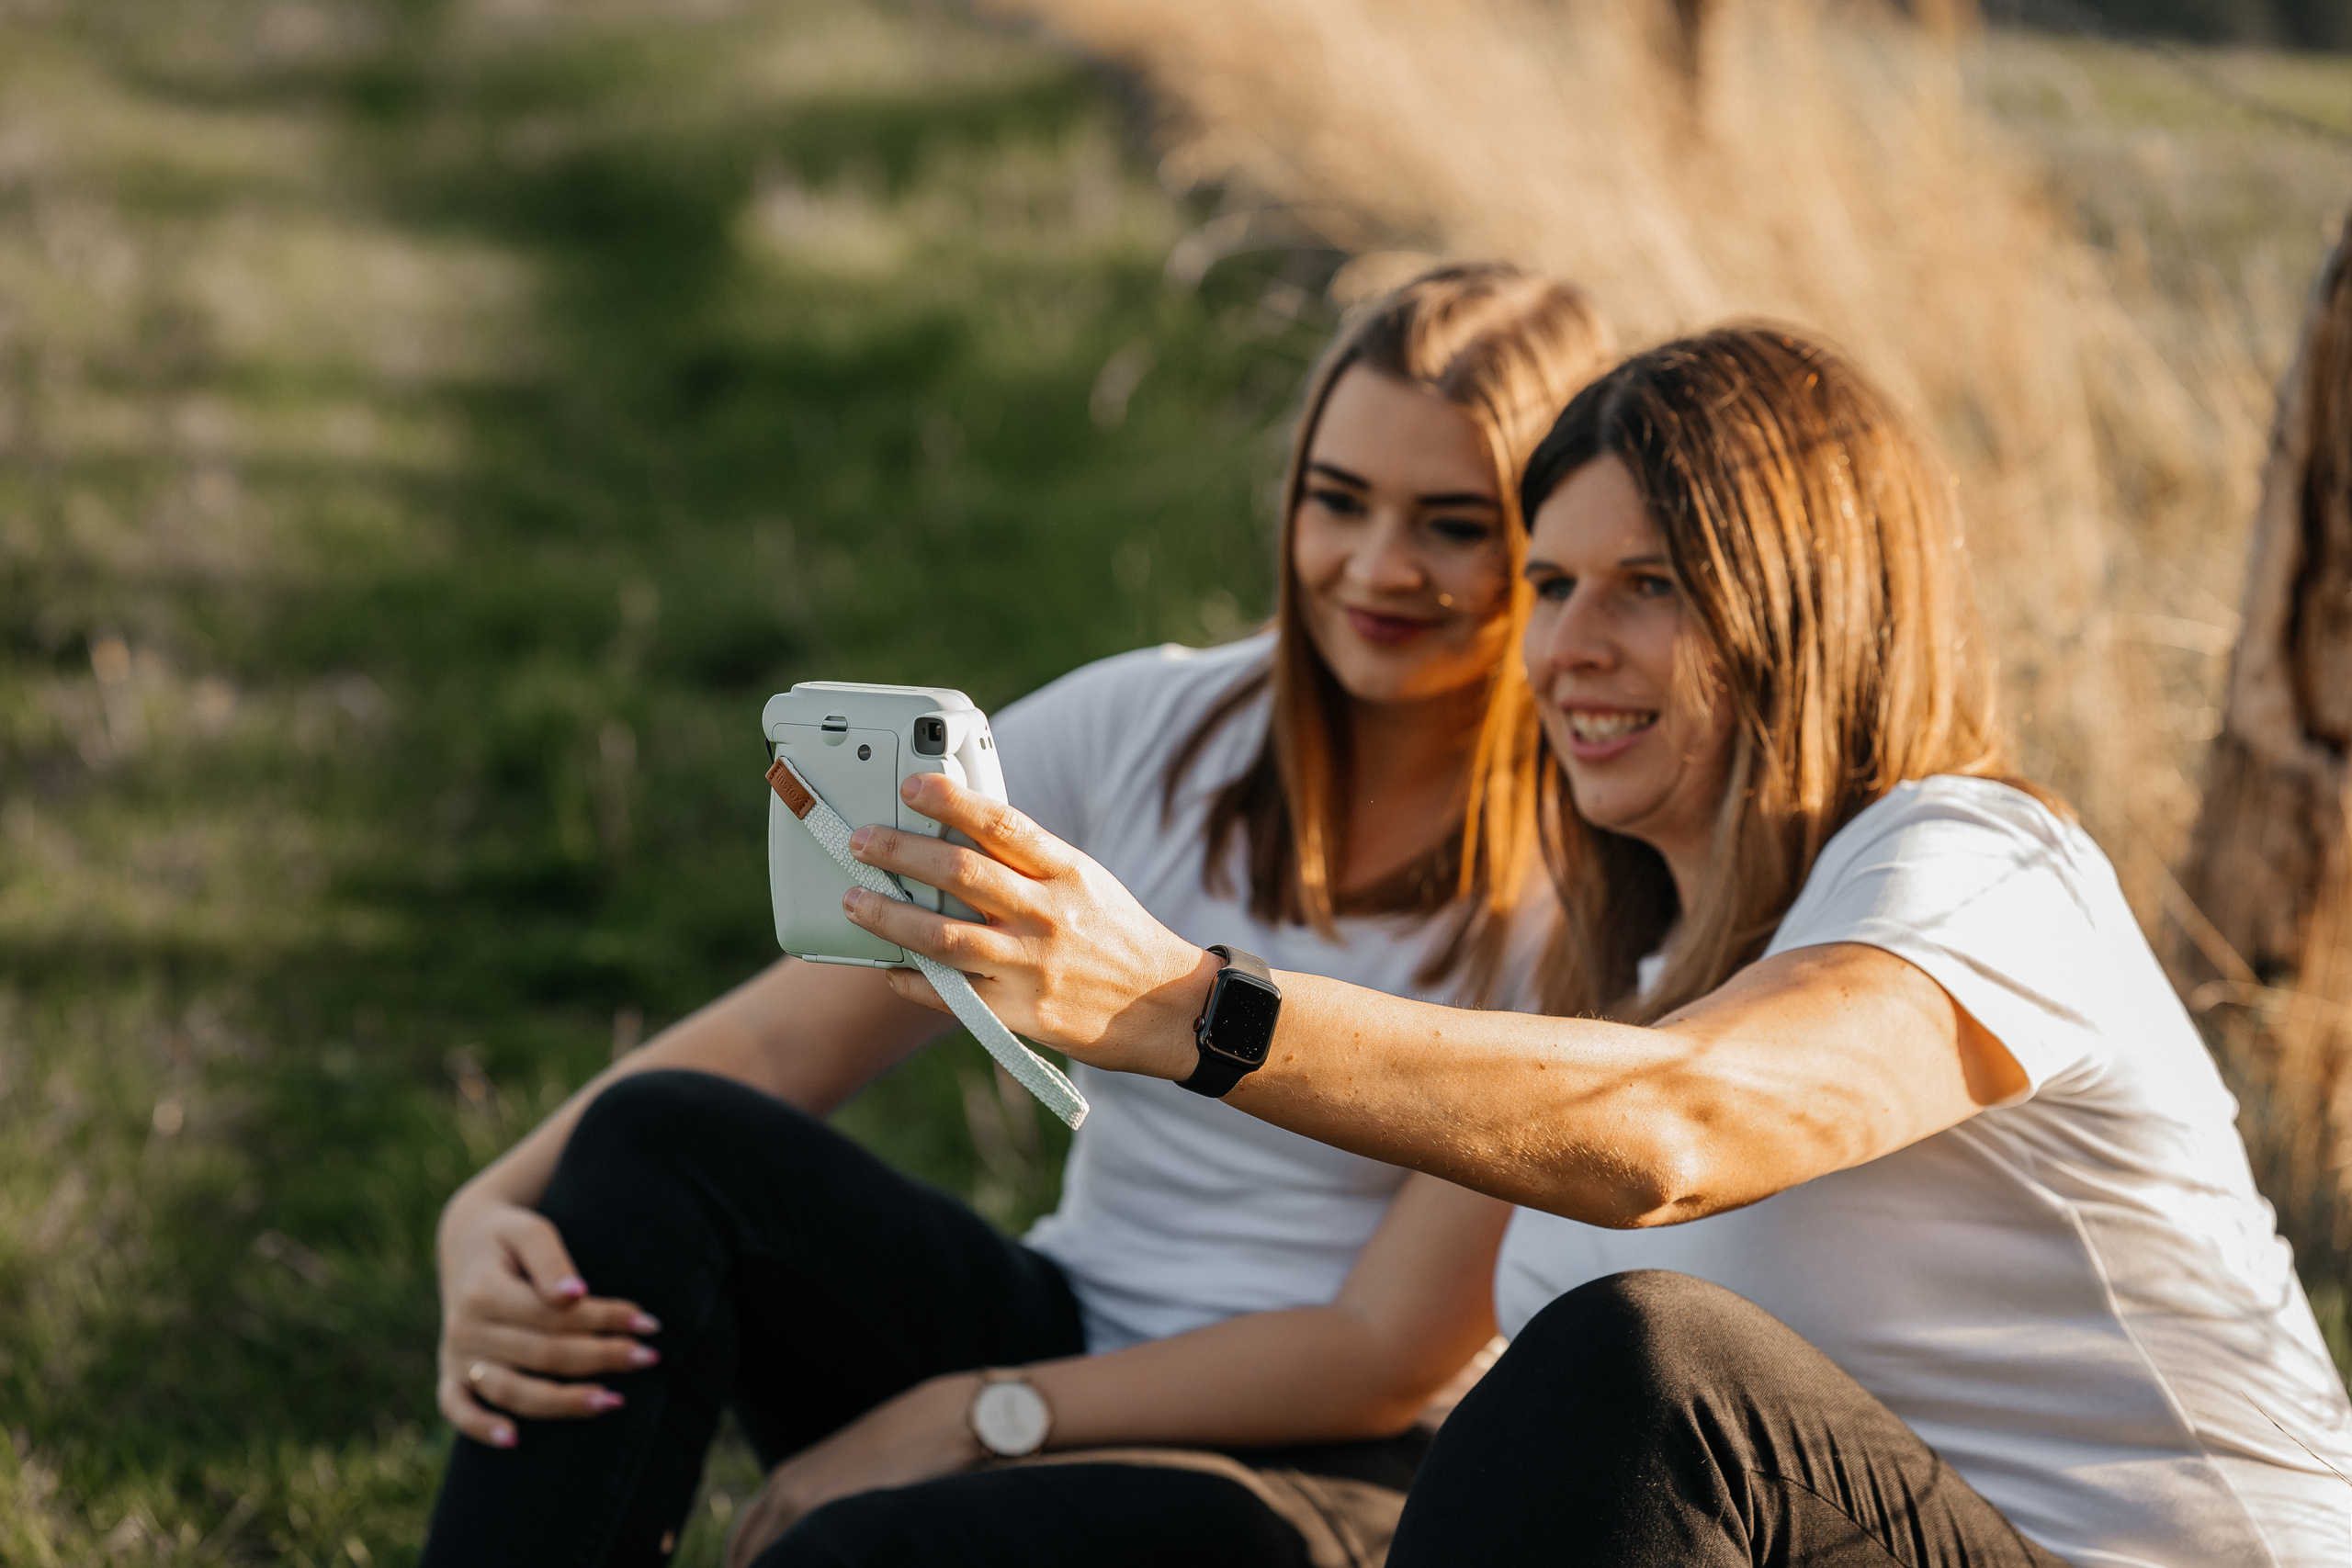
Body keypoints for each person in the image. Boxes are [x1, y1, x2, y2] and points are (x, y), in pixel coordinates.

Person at [841, 326, 2352, 1567]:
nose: (1568, 648)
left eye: (1652, 587)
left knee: (1637, 1372)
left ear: (1809, 606)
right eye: (1552, 585)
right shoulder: (1623, 971)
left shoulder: (1976, 863)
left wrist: (1184, 1006)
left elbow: (1682, 1126)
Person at [419, 264, 1613, 1567]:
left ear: (1553, 550)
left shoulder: (1596, 868)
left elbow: (1380, 1355)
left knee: (866, 1555)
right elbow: (777, 1049)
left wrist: (983, 1415)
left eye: (1454, 524)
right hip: (1071, 1321)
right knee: (659, 1144)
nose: (1376, 567)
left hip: (1325, 1471)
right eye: (1338, 501)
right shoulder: (1149, 726)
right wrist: (478, 1213)